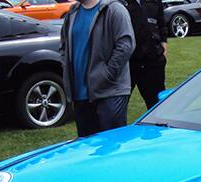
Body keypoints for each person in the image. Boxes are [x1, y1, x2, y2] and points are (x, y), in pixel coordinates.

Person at [61, 0, 136, 137]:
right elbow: (64, 45)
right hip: (80, 95)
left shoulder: (114, 10)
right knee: (88, 149)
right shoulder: (73, 12)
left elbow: (126, 45)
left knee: (112, 146)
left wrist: (107, 75)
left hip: (109, 92)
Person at [126, 0, 168, 110]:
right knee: (119, 105)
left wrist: (163, 48)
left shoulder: (154, 1)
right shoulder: (120, 3)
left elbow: (161, 24)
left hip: (153, 61)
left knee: (157, 106)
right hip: (128, 63)